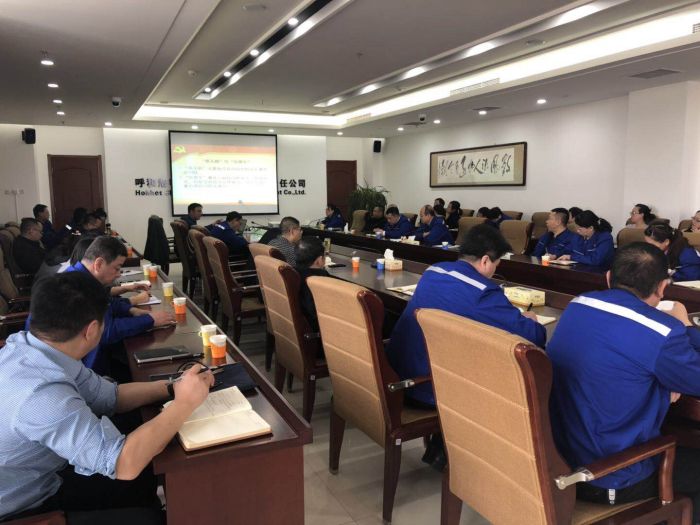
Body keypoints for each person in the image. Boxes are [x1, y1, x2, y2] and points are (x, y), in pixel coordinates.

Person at [0, 272, 213, 523]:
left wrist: (173, 387)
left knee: (146, 468)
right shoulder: (42, 394)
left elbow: (112, 396)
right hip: (25, 506)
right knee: (148, 516)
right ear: (92, 330)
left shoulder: (35, 348)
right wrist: (184, 404)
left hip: (48, 469)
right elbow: (124, 464)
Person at [547, 243, 700, 522]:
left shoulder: (579, 304)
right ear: (662, 287)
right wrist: (687, 326)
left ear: (608, 277)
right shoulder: (663, 331)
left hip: (561, 462)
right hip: (610, 476)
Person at [386, 224, 546, 408]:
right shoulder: (483, 291)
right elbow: (534, 337)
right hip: (429, 388)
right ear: (485, 261)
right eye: (496, 265)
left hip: (395, 374)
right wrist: (530, 319)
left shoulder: (434, 270)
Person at [64, 236, 175, 373]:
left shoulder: (83, 277)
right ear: (99, 264)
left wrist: (130, 310)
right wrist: (150, 320)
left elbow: (108, 302)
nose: (118, 275)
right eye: (117, 268)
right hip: (88, 367)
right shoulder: (79, 287)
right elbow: (106, 332)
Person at [294, 237, 329, 332]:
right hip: (319, 328)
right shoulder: (320, 278)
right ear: (319, 260)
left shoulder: (291, 272)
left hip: (298, 325)